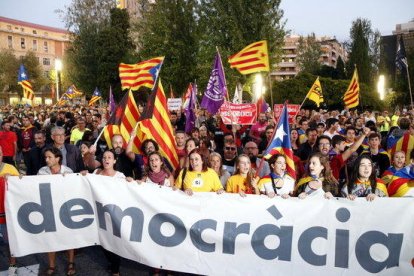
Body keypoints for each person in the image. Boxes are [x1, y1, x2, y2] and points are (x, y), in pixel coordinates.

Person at [37, 147, 75, 275]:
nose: (46, 160)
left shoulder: (68, 171)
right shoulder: (42, 172)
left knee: (69, 237)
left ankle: (71, 263)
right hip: (49, 209)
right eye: (45, 157)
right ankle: (52, 265)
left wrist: (68, 180)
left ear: (57, 158)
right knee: (50, 237)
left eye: (49, 157)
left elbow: (74, 190)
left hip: (65, 209)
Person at [0, 146, 19, 274]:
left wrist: (12, 179)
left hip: (6, 213)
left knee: (9, 240)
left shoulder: (10, 168)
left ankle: (13, 264)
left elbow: (21, 187)